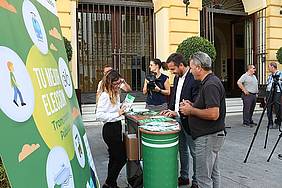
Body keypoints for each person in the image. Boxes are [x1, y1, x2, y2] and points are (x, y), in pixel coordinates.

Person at [179, 51, 226, 188]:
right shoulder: (209, 82)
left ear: (199, 67)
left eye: (192, 67)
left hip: (207, 137)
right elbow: (208, 106)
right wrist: (193, 105)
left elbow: (213, 114)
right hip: (211, 136)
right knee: (213, 173)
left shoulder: (210, 84)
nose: (191, 71)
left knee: (203, 177)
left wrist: (190, 110)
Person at [161, 53, 199, 188]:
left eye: (173, 69)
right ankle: (184, 177)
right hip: (177, 118)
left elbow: (196, 102)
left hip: (190, 121)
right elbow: (175, 98)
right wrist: (169, 110)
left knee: (194, 152)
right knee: (182, 150)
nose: (172, 72)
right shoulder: (177, 78)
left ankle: (196, 181)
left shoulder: (194, 78)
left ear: (181, 65)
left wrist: (177, 111)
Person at [96, 70, 127, 188]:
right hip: (110, 130)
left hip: (117, 127)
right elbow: (99, 115)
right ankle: (108, 183)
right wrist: (117, 114)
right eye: (116, 84)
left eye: (120, 83)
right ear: (109, 83)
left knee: (114, 158)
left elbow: (114, 108)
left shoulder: (116, 93)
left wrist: (122, 108)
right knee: (121, 158)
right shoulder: (104, 95)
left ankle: (112, 184)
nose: (118, 86)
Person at [266, 62, 282, 129]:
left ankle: (278, 122)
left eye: (269, 67)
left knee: (277, 107)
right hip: (269, 92)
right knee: (268, 108)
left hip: (277, 92)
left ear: (273, 67)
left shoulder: (280, 74)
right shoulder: (269, 75)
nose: (268, 68)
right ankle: (270, 123)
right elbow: (267, 85)